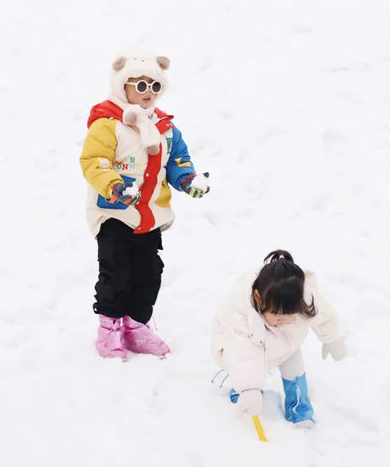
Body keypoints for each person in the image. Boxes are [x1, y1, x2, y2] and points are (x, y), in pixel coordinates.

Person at [80, 52, 209, 361]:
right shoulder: (108, 123)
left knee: (149, 273)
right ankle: (110, 328)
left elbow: (177, 159)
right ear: (122, 85)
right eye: (140, 85)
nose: (148, 92)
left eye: (154, 85)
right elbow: (94, 161)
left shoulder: (165, 127)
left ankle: (137, 325)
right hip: (115, 213)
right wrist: (113, 184)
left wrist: (187, 178)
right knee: (116, 272)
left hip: (150, 216)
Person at [211, 250, 346, 426]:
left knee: (295, 371)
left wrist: (332, 338)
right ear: (259, 298)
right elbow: (243, 354)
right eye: (277, 315)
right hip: (249, 347)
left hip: (288, 344)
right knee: (246, 373)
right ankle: (242, 391)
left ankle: (299, 409)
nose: (284, 320)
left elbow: (322, 314)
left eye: (291, 314)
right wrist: (249, 389)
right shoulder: (240, 317)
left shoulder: (302, 296)